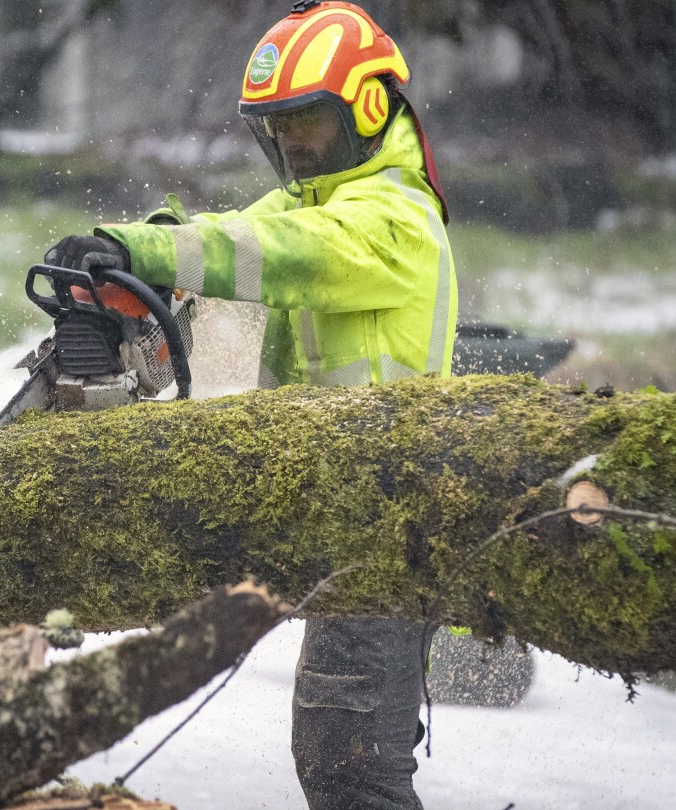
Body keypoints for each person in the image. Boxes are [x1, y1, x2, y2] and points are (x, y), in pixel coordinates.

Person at [44, 2, 457, 807]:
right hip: (326, 504)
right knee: (341, 763)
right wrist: (137, 249)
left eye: (305, 121)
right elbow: (227, 231)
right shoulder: (315, 200)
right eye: (278, 127)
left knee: (352, 773)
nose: (292, 144)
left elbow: (277, 256)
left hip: (384, 523)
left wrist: (144, 251)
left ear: (368, 108)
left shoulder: (394, 219)